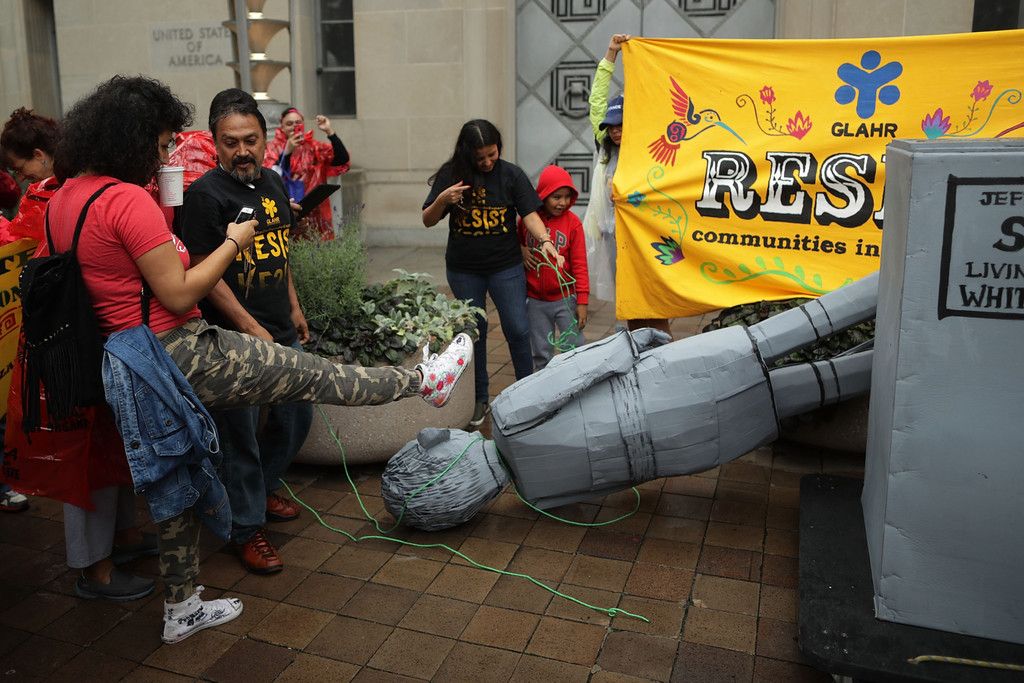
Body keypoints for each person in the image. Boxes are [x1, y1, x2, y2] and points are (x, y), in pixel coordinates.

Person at [46, 75, 470, 643]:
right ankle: (423, 380)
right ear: (132, 139)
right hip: (173, 351)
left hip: (122, 361)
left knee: (173, 483)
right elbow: (178, 294)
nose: (167, 155)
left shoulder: (66, 197)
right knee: (311, 374)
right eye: (163, 143)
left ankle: (182, 607)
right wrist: (233, 243)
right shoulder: (126, 200)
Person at [1, 107, 158, 597]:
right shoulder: (67, 196)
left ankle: (122, 538)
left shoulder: (64, 195)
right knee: (84, 454)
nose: (21, 178)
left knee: (110, 445)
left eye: (20, 168)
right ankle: (95, 569)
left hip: (85, 338)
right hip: (79, 343)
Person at [179, 88, 313, 574]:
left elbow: (280, 251)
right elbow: (203, 273)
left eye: (250, 140)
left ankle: (266, 485)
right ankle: (245, 527)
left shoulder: (273, 183)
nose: (242, 151)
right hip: (234, 341)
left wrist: (294, 307)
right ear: (215, 143)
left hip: (280, 330)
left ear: (264, 138)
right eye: (231, 142)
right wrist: (251, 327)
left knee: (296, 417)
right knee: (240, 440)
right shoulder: (204, 196)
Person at [423, 119, 564, 428]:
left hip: (506, 267)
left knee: (518, 328)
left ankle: (527, 392)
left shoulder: (511, 175)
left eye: (492, 154)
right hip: (464, 270)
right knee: (475, 333)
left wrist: (545, 241)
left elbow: (530, 214)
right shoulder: (452, 175)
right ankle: (479, 398)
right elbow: (428, 219)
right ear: (467, 152)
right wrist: (443, 199)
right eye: (480, 157)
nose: (487, 162)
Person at [584, 34, 672, 337]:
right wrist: (611, 54)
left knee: (652, 295)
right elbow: (597, 101)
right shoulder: (606, 150)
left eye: (621, 125)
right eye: (611, 126)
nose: (616, 131)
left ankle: (662, 344)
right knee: (627, 297)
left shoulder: (648, 149)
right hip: (613, 234)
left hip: (643, 233)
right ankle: (636, 345)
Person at [518, 165, 589, 371]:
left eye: (567, 197)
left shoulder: (573, 224)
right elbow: (513, 242)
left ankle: (575, 383)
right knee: (540, 351)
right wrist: (521, 249)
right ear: (543, 195)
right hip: (536, 301)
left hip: (565, 299)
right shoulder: (527, 221)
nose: (563, 202)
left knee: (573, 348)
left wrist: (582, 301)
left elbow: (580, 265)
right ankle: (544, 385)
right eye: (556, 197)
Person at [263, 106, 350, 241]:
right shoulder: (272, 148)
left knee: (319, 248)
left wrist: (329, 131)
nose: (294, 126)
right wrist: (287, 151)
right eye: (289, 123)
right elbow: (270, 177)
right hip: (286, 211)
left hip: (316, 212)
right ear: (282, 127)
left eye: (298, 122)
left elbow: (341, 159)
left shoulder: (314, 147)